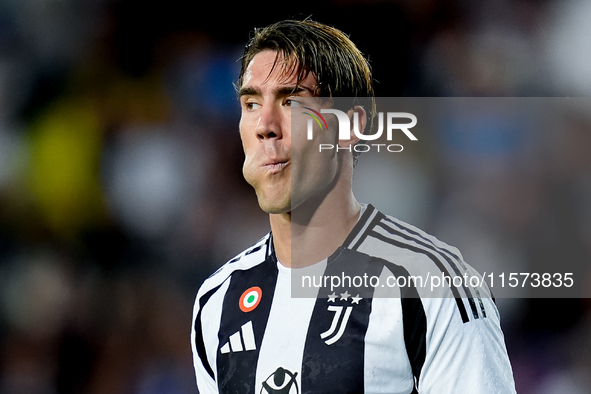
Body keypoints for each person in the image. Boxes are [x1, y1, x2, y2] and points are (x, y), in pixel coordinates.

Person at [191, 19, 516, 393]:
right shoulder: (217, 301)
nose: (265, 125)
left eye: (292, 101)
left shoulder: (434, 285)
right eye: (251, 104)